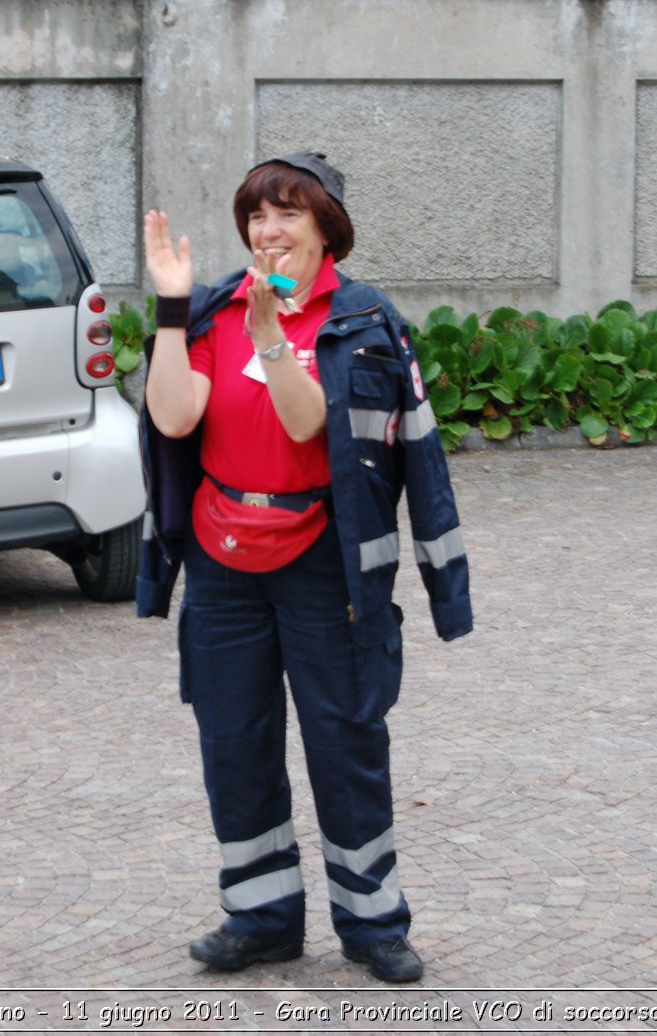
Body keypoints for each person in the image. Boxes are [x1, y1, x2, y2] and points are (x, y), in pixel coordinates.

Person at [138, 151, 472, 983]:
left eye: (287, 213)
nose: (268, 229)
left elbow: (312, 432)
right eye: (256, 214)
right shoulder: (213, 308)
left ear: (327, 229)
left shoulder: (362, 321)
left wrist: (272, 342)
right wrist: (174, 309)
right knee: (234, 742)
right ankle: (260, 918)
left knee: (344, 737)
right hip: (223, 561)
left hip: (327, 564)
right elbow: (175, 418)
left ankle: (372, 925)